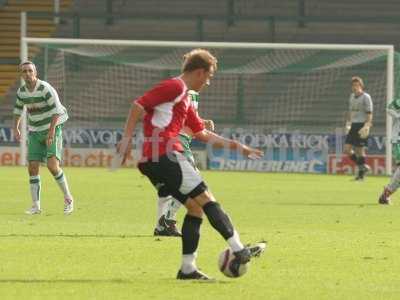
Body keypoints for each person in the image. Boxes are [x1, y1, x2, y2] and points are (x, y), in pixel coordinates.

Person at [117, 49, 266, 280]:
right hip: (166, 153)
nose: (208, 82)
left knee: (195, 208)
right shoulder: (175, 87)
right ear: (199, 72)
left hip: (153, 160)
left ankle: (188, 269)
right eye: (208, 77)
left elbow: (202, 134)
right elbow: (138, 105)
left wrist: (239, 147)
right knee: (208, 199)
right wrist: (125, 141)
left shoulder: (184, 98)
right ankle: (239, 249)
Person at [13, 61, 74, 215]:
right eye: (24, 71)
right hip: (34, 130)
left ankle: (68, 199)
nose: (27, 73)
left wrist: (51, 132)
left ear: (35, 72)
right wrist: (16, 128)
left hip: (52, 127)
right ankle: (36, 206)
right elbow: (18, 110)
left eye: (30, 70)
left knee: (52, 166)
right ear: (21, 74)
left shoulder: (45, 89)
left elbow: (57, 111)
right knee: (32, 167)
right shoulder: (22, 92)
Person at [154, 89, 215, 237]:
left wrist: (202, 121)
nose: (208, 82)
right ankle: (165, 221)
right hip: (177, 141)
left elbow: (190, 115)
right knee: (193, 184)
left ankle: (164, 224)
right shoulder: (187, 92)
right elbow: (185, 115)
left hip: (174, 141)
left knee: (180, 186)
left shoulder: (188, 92)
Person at [343, 76, 373, 180]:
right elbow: (351, 112)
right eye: (353, 85)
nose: (355, 87)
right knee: (347, 149)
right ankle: (363, 167)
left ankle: (361, 176)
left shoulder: (366, 97)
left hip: (362, 125)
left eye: (357, 85)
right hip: (354, 125)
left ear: (361, 86)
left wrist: (367, 125)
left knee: (360, 151)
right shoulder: (351, 97)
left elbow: (369, 113)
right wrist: (348, 123)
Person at [379, 98, 400, 204]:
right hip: (398, 139)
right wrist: (398, 115)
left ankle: (386, 193)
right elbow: (389, 108)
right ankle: (387, 192)